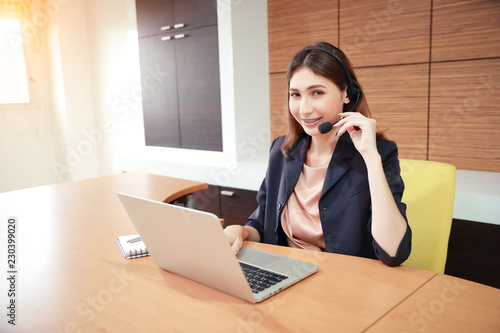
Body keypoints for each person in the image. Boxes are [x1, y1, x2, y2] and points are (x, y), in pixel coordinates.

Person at [224, 42, 411, 266]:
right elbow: (263, 227)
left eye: (317, 93)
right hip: (287, 275)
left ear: (347, 94)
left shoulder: (379, 153)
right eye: (295, 95)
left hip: (347, 282)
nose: (303, 109)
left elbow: (394, 252)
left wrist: (371, 158)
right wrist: (241, 231)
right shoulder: (282, 151)